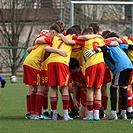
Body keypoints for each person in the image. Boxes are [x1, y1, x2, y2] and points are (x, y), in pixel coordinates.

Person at [36, 27, 82, 120]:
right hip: (62, 62)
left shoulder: (55, 38)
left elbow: (43, 43)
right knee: (64, 87)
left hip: (51, 62)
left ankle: (54, 113)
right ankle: (65, 114)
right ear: (74, 35)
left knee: (53, 87)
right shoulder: (73, 38)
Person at [84, 32, 133, 120]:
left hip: (120, 66)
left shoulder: (106, 45)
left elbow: (103, 47)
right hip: (129, 65)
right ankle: (124, 113)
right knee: (124, 88)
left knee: (113, 88)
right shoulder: (120, 46)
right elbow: (130, 47)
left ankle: (113, 113)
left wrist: (94, 50)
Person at [23, 21, 67, 120]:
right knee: (40, 88)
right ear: (53, 32)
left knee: (35, 88)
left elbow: (31, 48)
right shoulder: (48, 38)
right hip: (35, 64)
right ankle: (37, 114)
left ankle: (34, 113)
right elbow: (40, 41)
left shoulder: (47, 38)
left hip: (30, 62)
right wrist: (59, 51)